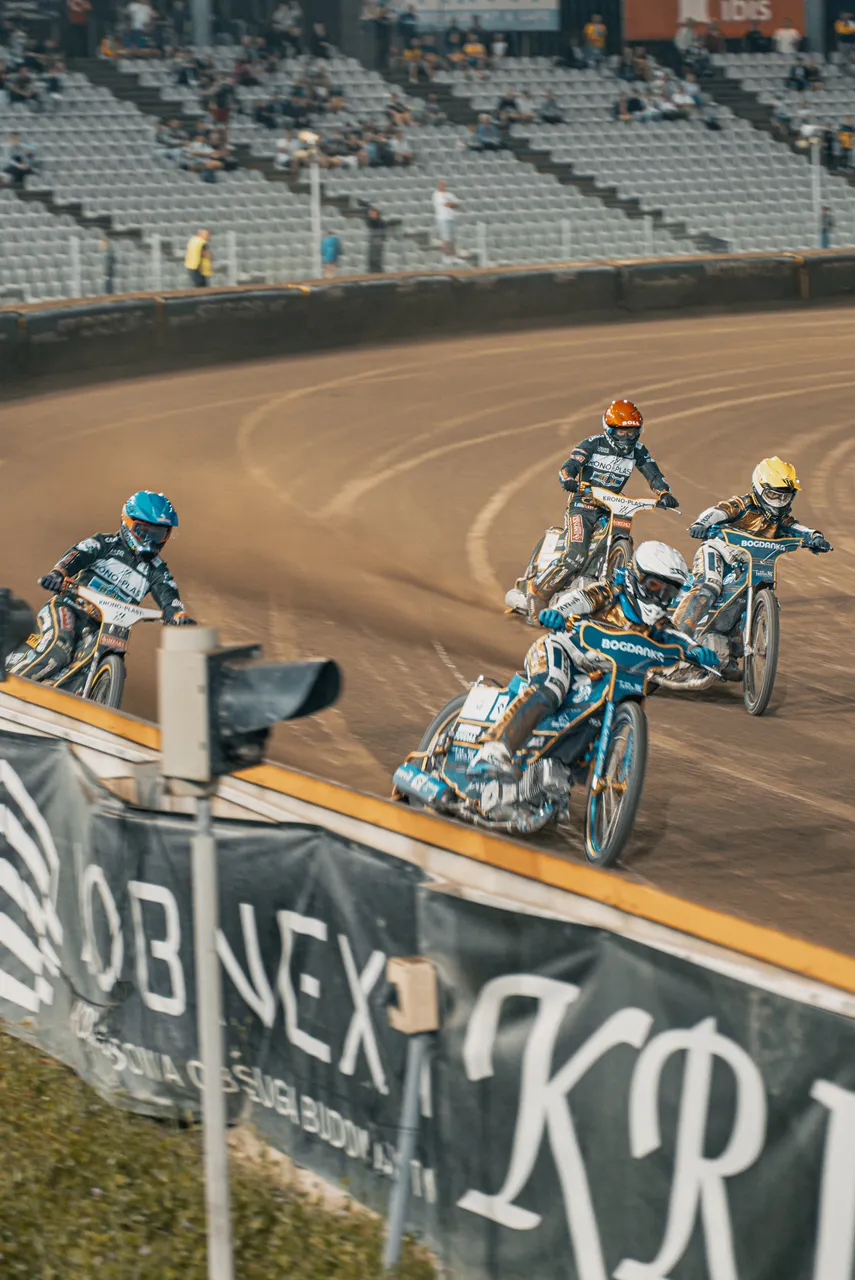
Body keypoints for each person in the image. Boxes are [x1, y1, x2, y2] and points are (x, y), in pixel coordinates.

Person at [470, 541, 716, 781]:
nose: (659, 597)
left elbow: (674, 636)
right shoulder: (610, 592)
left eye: (668, 592)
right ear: (635, 575)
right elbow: (580, 599)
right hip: (564, 650)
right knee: (552, 685)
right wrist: (558, 612)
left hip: (602, 673)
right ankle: (494, 750)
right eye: (653, 585)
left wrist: (695, 649)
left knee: (605, 706)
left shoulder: (658, 624)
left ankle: (560, 767)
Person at [7, 492, 195, 685]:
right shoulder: (105, 544)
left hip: (105, 629)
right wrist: (58, 574)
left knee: (94, 662)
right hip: (69, 607)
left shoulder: (158, 571)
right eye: (144, 532)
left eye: (158, 535)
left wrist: (177, 614)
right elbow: (79, 554)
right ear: (127, 523)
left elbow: (168, 592)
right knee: (59, 647)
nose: (150, 541)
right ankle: (10, 687)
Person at [524, 400, 679, 620]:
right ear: (609, 429)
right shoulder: (592, 444)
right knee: (575, 556)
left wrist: (664, 493)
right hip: (582, 506)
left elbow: (653, 474)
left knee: (618, 540)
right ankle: (538, 592)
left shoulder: (638, 451)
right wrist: (568, 479)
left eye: (632, 432)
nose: (627, 437)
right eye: (622, 431)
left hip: (611, 508)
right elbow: (569, 467)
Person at [672, 458, 831, 642]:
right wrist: (701, 523)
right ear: (759, 488)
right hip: (718, 551)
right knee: (710, 586)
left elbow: (797, 528)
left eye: (784, 497)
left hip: (751, 563)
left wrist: (815, 537)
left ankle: (733, 643)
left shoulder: (782, 520)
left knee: (751, 596)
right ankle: (677, 637)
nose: (779, 502)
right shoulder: (742, 504)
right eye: (773, 495)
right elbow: (718, 511)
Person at [432, 178, 459, 260]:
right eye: (441, 185)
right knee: (445, 239)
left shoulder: (449, 194)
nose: (442, 186)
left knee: (452, 238)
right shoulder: (436, 195)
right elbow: (447, 204)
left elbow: (457, 204)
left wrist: (451, 204)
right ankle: (446, 256)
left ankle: (453, 256)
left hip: (451, 218)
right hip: (442, 219)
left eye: (444, 185)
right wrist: (451, 204)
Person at [365, 205, 387, 273]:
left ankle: (378, 272)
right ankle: (371, 271)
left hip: (378, 241)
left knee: (376, 258)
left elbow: (383, 233)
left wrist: (379, 239)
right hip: (373, 240)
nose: (371, 215)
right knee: (371, 258)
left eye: (373, 213)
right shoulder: (371, 221)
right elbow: (369, 222)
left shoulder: (381, 222)